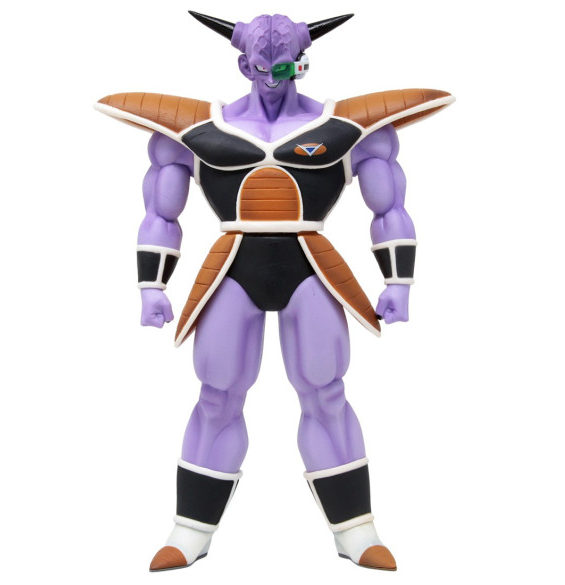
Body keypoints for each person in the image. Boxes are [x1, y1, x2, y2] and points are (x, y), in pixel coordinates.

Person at [95, 11, 454, 571]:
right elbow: (160, 213)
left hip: (309, 266)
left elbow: (389, 206)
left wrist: (398, 281)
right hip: (232, 267)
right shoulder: (194, 131)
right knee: (216, 396)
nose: (271, 79)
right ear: (244, 64)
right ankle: (190, 529)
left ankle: (356, 529)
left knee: (326, 393)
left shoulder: (348, 128)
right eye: (261, 67)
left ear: (301, 64)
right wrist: (151, 286)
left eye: (284, 67)